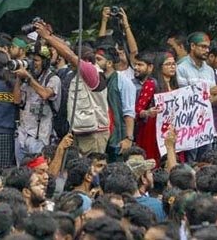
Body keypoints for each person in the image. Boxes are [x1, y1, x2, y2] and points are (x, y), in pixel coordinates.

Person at [37, 22, 110, 155]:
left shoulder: (90, 71)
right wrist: (50, 35)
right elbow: (68, 49)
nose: (70, 64)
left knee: (90, 169)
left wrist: (47, 38)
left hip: (94, 134)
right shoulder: (78, 74)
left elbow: (69, 55)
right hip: (81, 131)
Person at [177, 32, 217, 161]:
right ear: (192, 46)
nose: (206, 50)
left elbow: (209, 101)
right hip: (189, 127)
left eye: (207, 47)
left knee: (206, 163)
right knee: (191, 164)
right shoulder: (181, 68)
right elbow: (183, 98)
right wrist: (210, 90)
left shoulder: (209, 70)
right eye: (203, 46)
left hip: (206, 125)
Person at [14, 46, 61, 165]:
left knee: (38, 169)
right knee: (22, 172)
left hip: (40, 136)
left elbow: (45, 94)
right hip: (22, 135)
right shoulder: (27, 79)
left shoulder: (53, 79)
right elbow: (16, 100)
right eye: (29, 60)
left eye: (35, 60)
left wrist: (29, 79)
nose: (32, 63)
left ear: (45, 63)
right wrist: (19, 79)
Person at [94, 45, 135, 162]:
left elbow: (129, 112)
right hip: (102, 135)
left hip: (118, 137)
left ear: (109, 63)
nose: (95, 63)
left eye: (99, 59)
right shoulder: (97, 81)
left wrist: (128, 138)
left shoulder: (123, 81)